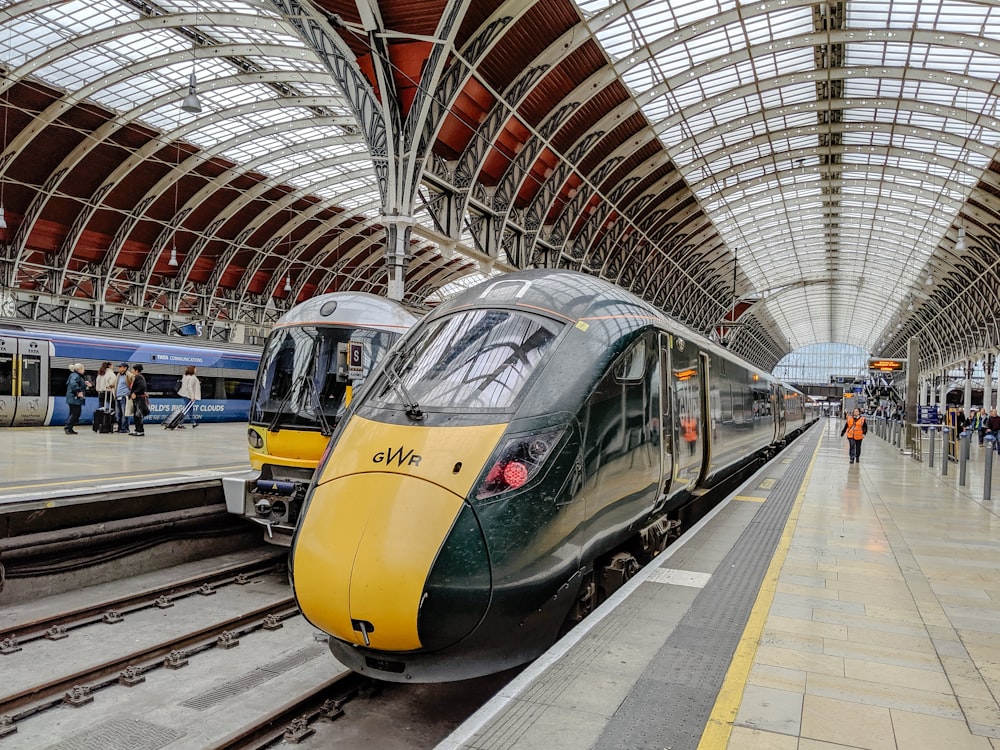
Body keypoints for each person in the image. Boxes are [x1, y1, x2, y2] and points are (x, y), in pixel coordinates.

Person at [64, 363, 91, 435]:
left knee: (74, 413)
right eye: (83, 369)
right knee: (75, 413)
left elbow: (76, 384)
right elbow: (73, 384)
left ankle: (70, 428)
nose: (84, 370)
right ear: (79, 369)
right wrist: (78, 391)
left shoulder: (75, 375)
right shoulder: (76, 376)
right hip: (74, 398)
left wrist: (85, 384)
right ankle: (68, 427)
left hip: (73, 398)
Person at [129, 364, 148, 437]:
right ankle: (137, 429)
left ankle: (140, 430)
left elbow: (142, 386)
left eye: (133, 369)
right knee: (136, 415)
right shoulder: (137, 377)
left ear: (136, 370)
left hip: (139, 398)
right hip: (137, 398)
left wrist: (135, 392)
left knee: (138, 415)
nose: (131, 371)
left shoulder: (139, 377)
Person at [113, 362, 132, 433]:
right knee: (118, 414)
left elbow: (133, 385)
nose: (119, 368)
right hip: (117, 397)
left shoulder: (129, 375)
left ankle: (125, 428)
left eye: (120, 367)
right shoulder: (118, 375)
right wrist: (111, 385)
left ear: (125, 368)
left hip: (124, 397)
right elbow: (116, 383)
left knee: (125, 414)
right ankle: (120, 427)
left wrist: (129, 393)